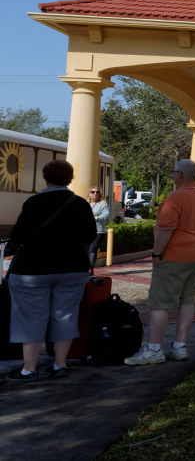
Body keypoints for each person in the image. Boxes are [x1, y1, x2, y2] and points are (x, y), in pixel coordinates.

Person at [5, 160, 94, 382]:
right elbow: (91, 236)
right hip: (73, 269)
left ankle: (29, 369)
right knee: (65, 316)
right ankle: (60, 365)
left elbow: (18, 237)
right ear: (70, 179)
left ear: (46, 178)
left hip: (32, 270)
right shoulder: (81, 204)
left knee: (31, 317)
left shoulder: (34, 202)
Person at [124, 159, 195, 365]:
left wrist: (156, 253)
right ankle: (179, 346)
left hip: (175, 256)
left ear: (180, 175)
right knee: (187, 301)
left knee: (160, 302)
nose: (173, 175)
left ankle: (154, 349)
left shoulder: (175, 198)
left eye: (174, 171)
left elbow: (166, 229)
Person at [87, 185, 110, 270]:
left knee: (92, 249)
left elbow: (107, 214)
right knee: (85, 250)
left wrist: (98, 217)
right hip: (86, 231)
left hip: (98, 231)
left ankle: (90, 269)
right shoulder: (85, 203)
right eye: (93, 192)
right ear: (89, 194)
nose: (95, 194)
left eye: (97, 192)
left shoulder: (102, 203)